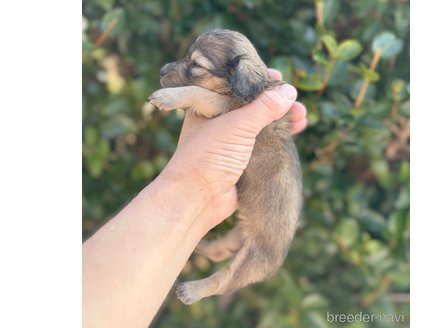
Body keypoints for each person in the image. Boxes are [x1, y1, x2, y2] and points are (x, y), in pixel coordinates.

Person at [82, 69, 307, 327]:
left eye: (197, 66)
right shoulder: (233, 97)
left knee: (253, 257)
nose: (181, 69)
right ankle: (213, 250)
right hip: (237, 192)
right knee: (229, 244)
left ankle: (214, 282)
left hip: (265, 221)